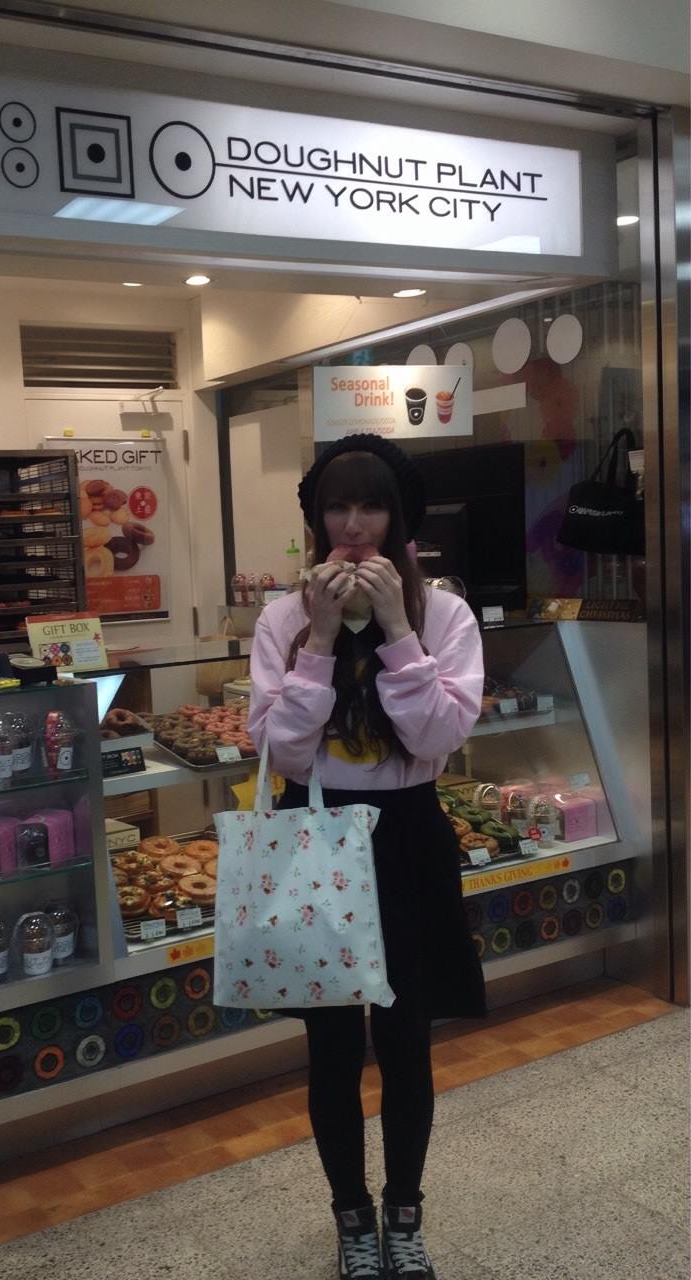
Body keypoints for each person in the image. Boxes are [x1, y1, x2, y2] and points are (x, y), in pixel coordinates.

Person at [248, 433, 487, 1280]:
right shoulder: (282, 619)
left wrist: (395, 630)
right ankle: (352, 1218)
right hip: (317, 837)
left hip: (408, 837)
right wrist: (317, 641)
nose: (353, 526)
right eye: (337, 508)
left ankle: (405, 1215)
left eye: (371, 506)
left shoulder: (446, 617)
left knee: (407, 1041)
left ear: (400, 518)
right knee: (333, 1051)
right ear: (316, 519)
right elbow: (283, 753)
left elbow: (438, 736)